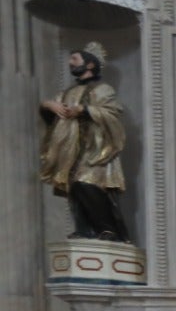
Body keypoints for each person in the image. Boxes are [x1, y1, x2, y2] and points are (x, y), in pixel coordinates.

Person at [38, 43, 129, 242]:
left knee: (87, 183)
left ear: (90, 65)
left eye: (75, 59)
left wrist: (85, 110)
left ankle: (109, 230)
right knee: (74, 188)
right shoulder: (67, 92)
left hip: (95, 149)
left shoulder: (103, 89)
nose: (70, 62)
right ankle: (85, 229)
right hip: (71, 150)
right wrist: (48, 105)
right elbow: (53, 119)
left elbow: (112, 114)